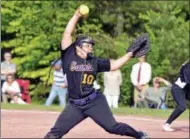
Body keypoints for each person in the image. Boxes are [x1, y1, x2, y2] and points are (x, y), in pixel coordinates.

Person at [44, 7, 148, 139]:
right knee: (54, 134)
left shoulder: (94, 61)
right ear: (78, 47)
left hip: (94, 102)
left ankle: (139, 135)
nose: (91, 47)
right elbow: (67, 34)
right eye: (88, 45)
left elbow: (114, 64)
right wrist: (76, 15)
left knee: (112, 127)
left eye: (91, 45)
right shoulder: (69, 55)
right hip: (75, 105)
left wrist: (129, 54)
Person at [163, 59, 190, 132]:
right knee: (182, 107)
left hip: (186, 90)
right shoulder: (188, 68)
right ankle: (166, 124)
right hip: (178, 89)